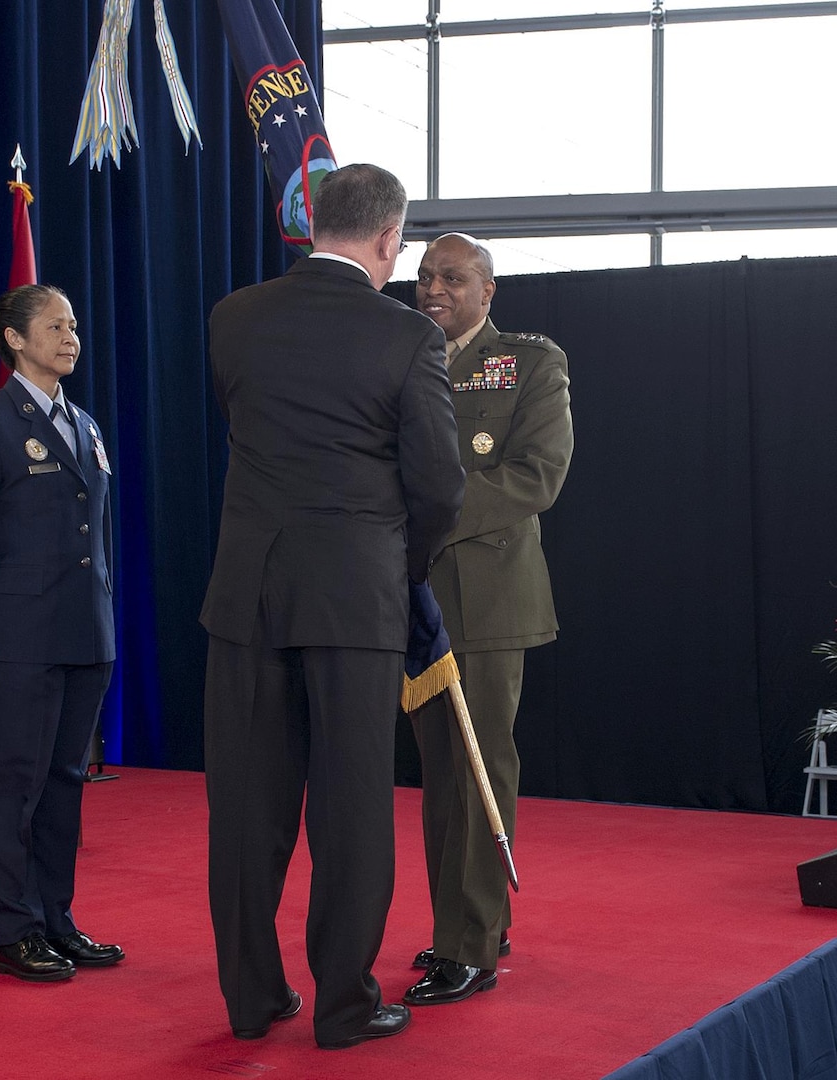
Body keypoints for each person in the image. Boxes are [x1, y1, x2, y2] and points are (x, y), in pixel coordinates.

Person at [201, 163, 465, 1050]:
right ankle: (344, 1008)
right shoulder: (406, 337)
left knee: (245, 808)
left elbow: (250, 431)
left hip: (248, 596)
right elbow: (438, 486)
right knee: (350, 811)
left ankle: (250, 999)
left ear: (312, 220)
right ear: (390, 238)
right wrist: (406, 570)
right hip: (355, 601)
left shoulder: (233, 319)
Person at [401, 232, 573, 1006]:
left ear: (488, 290)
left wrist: (430, 514)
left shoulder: (530, 361)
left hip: (487, 598)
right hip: (410, 598)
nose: (434, 288)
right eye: (425, 275)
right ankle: (468, 921)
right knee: (442, 774)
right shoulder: (400, 352)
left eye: (454, 278)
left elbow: (535, 475)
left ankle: (467, 946)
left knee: (478, 769)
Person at [0, 284, 121, 983]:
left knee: (65, 783)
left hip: (83, 632)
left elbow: (98, 536)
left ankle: (57, 920)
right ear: (14, 339)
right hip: (14, 635)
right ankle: (12, 930)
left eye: (73, 324)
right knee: (11, 783)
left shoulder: (86, 425)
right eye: (53, 325)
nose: (69, 336)